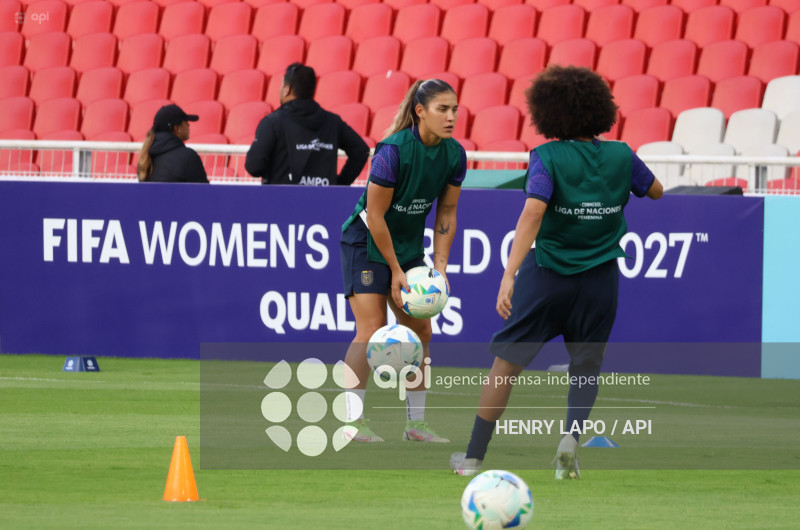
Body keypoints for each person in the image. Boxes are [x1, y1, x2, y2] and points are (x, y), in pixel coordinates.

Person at [450, 65, 664, 479]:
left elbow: (533, 210)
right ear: (600, 108)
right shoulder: (622, 154)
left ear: (549, 114)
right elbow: (655, 190)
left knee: (506, 366)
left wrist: (509, 274)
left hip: (546, 276)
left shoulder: (546, 157)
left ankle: (473, 457)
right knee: (586, 367)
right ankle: (570, 441)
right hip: (600, 280)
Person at [339, 79, 467, 443]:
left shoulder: (455, 154)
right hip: (364, 243)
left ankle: (416, 425)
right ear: (420, 111)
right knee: (372, 328)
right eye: (442, 109)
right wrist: (395, 271)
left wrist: (439, 268)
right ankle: (353, 423)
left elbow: (447, 212)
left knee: (422, 331)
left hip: (407, 249)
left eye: (454, 109)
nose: (451, 116)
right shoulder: (392, 152)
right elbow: (375, 216)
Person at [245, 63, 369, 186]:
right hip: (324, 202)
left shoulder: (273, 122)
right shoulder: (333, 122)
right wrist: (339, 184)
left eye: (282, 85)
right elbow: (360, 150)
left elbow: (254, 167)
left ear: (286, 90)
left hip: (281, 202)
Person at [137, 104, 208, 183]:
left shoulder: (145, 158)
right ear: (177, 128)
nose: (188, 124)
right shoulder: (189, 157)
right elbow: (204, 192)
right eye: (185, 121)